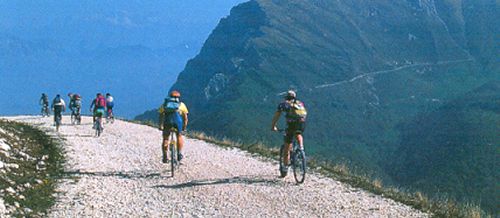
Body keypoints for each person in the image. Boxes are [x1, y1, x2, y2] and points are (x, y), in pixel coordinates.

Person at [271, 90, 307, 177]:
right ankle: (301, 149)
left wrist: (273, 126)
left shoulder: (284, 104)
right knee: (298, 134)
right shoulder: (300, 103)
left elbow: (277, 115)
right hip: (301, 124)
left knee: (287, 146)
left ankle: (285, 168)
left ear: (286, 97)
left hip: (291, 125)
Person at [158, 90, 189, 163]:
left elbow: (161, 115)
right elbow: (185, 118)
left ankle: (165, 156)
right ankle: (179, 154)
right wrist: (184, 128)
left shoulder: (165, 104)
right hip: (177, 122)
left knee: (165, 138)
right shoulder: (181, 105)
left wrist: (160, 125)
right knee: (179, 136)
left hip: (167, 122)